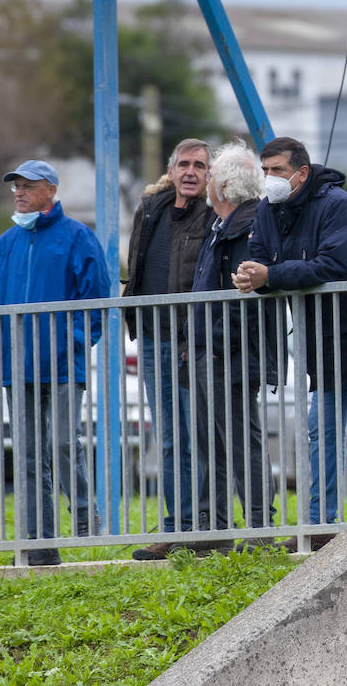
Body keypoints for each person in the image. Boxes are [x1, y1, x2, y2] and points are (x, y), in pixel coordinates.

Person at [233, 137, 347, 547]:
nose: (270, 179)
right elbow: (260, 257)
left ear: (302, 173)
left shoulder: (337, 205)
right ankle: (318, 527)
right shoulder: (268, 209)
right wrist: (251, 277)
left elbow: (334, 264)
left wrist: (270, 277)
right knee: (321, 430)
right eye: (266, 170)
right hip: (326, 337)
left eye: (277, 170)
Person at [0, 160, 109, 566]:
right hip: (17, 368)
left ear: (51, 190)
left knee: (64, 443)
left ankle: (87, 518)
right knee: (30, 454)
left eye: (28, 186)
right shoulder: (7, 242)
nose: (19, 192)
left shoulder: (76, 237)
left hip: (62, 366)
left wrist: (70, 341)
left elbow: (95, 299)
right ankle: (41, 543)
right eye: (15, 186)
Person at [125, 138, 215, 561]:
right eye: (184, 164)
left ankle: (201, 529)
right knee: (167, 439)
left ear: (209, 173)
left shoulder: (214, 214)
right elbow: (137, 266)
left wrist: (193, 337)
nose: (191, 171)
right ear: (172, 169)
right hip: (151, 338)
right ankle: (175, 527)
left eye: (199, 165)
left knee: (196, 437)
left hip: (189, 344)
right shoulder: (151, 209)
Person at [188, 141, 280, 546]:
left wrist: (217, 346)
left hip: (231, 355)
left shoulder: (247, 229)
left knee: (242, 442)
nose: (206, 184)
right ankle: (215, 530)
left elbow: (243, 296)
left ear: (222, 187)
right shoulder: (224, 227)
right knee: (216, 444)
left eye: (210, 177)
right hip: (216, 352)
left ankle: (260, 529)